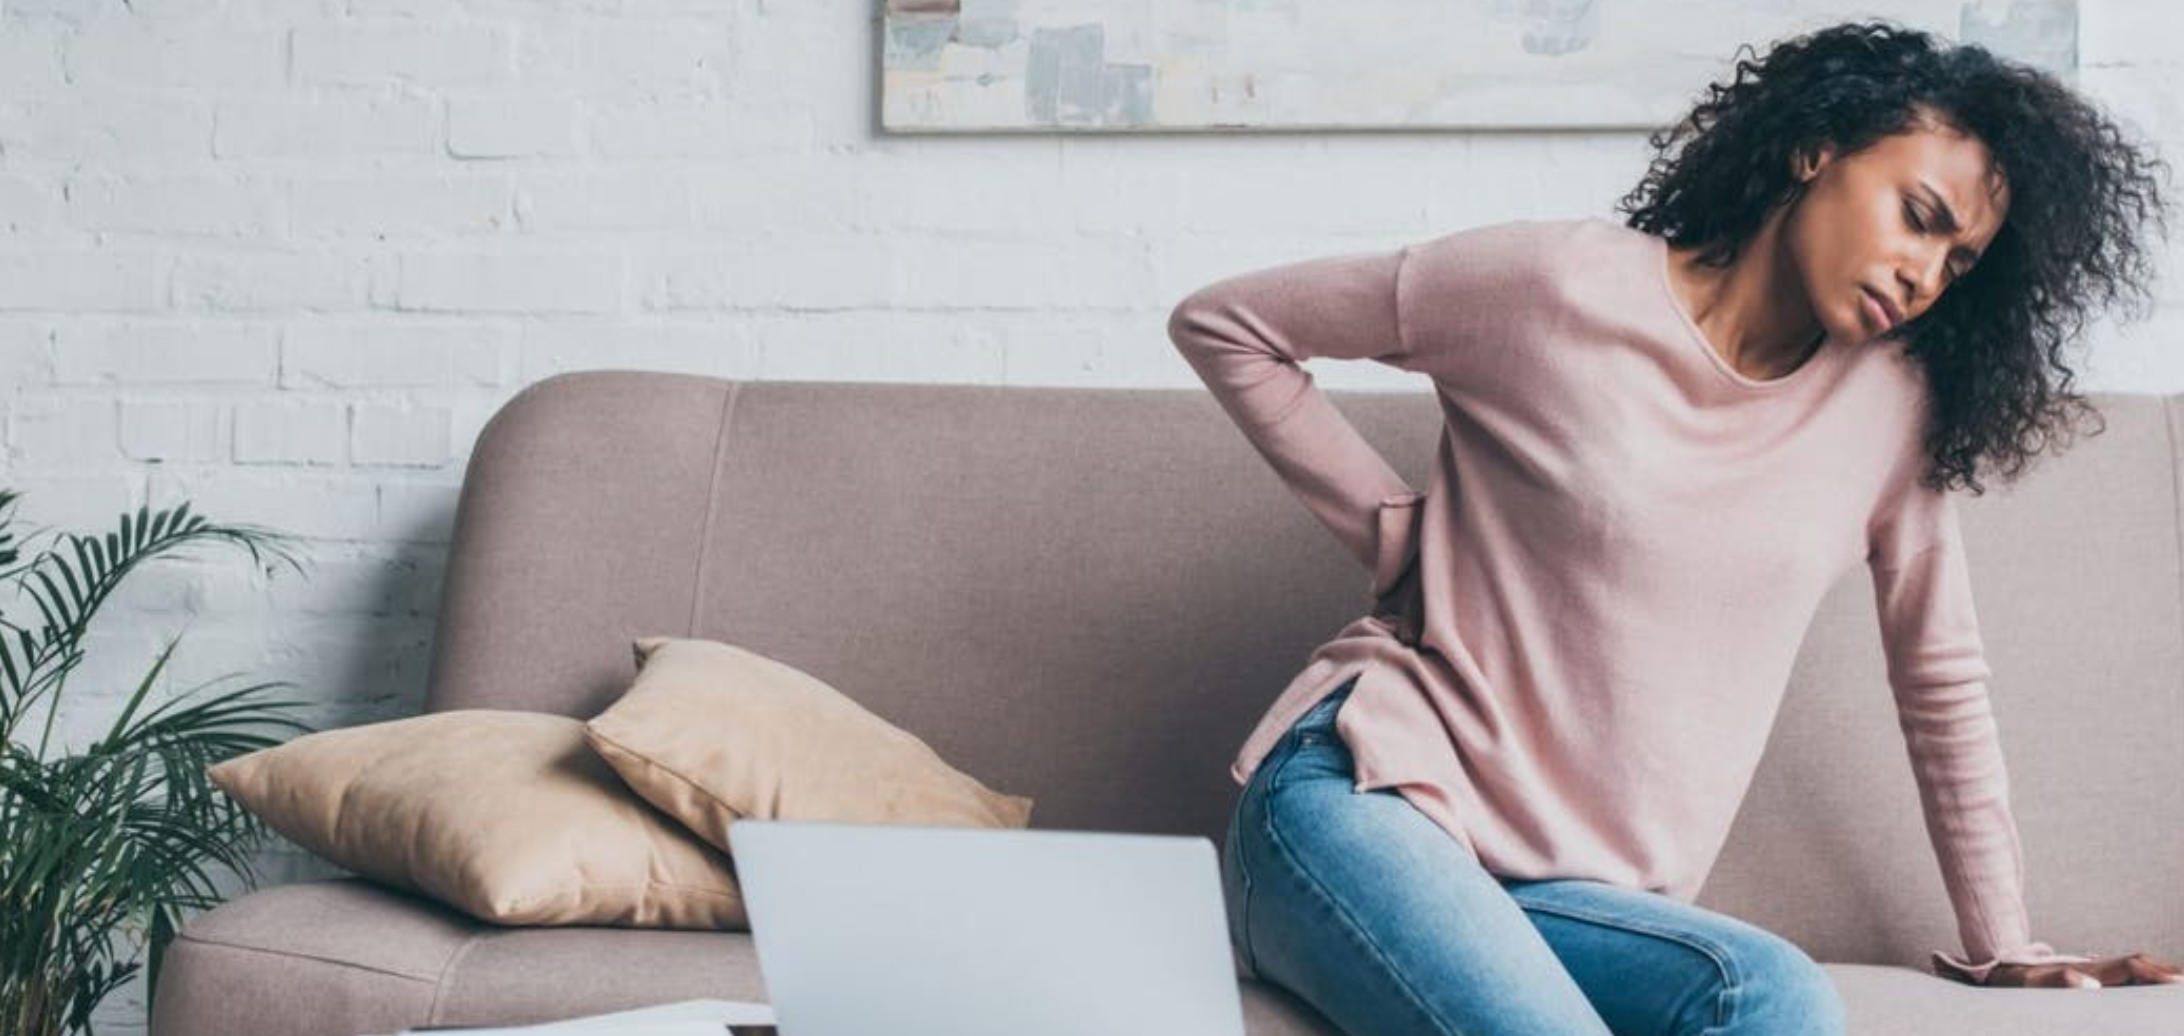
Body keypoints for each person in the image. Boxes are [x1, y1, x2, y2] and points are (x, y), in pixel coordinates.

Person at [1166, 18, 2183, 1036]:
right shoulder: (1554, 287)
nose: (1925, 273)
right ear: (1815, 147)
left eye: (1958, 263)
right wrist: (1398, 536)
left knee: (1779, 998)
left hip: (1576, 899)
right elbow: (1228, 325)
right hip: (1361, 801)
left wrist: (2006, 941)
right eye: (1919, 216)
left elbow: (1941, 679)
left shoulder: (1890, 414)